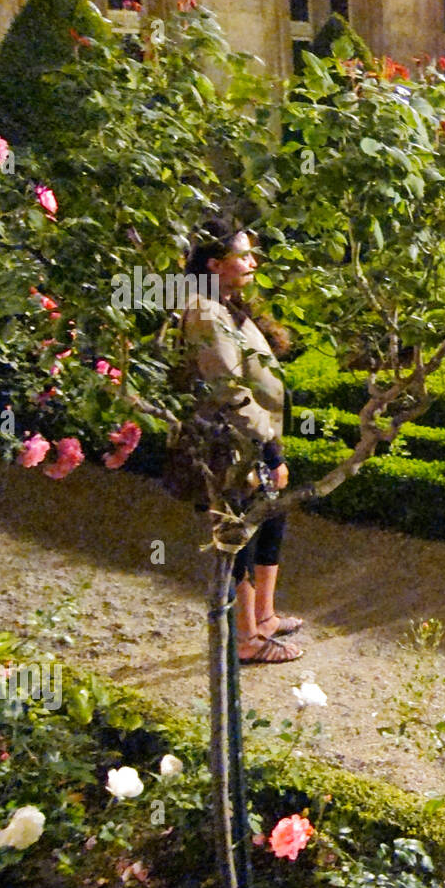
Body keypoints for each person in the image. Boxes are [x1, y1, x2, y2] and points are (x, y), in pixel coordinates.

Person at [181, 218, 304, 664]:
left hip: (256, 436)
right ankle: (247, 637)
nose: (253, 262)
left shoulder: (227, 305)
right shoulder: (207, 312)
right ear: (215, 264)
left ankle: (264, 617)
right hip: (236, 445)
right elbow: (228, 390)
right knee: (243, 529)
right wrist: (270, 451)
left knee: (271, 518)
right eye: (243, 255)